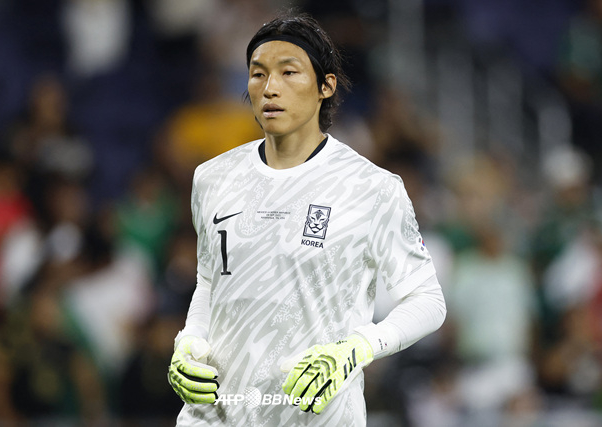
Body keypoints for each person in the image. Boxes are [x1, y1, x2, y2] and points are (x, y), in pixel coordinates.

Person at [167, 12, 446, 426]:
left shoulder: (371, 188)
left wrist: (358, 347)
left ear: (325, 86)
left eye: (288, 72)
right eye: (258, 74)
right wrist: (189, 341)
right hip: (215, 416)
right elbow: (210, 282)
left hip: (315, 417)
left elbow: (427, 301)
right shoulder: (212, 178)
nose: (270, 87)